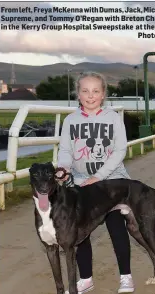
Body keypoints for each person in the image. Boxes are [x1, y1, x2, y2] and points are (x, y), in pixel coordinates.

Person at [56, 71, 134, 293]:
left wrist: (98, 177)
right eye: (85, 91)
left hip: (110, 182)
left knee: (117, 228)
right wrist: (63, 169)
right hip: (80, 184)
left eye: (95, 91)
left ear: (103, 94)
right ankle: (86, 278)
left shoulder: (113, 118)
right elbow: (65, 150)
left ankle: (126, 276)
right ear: (78, 94)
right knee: (80, 232)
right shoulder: (71, 120)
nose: (90, 96)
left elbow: (120, 150)